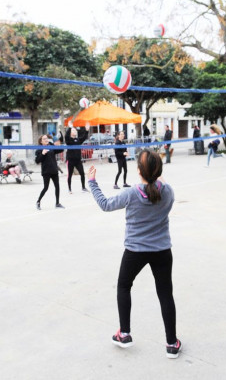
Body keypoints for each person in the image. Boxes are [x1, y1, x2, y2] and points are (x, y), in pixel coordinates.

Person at [87, 149, 181, 359]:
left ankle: (125, 333)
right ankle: (172, 344)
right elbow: (160, 183)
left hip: (135, 251)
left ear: (138, 170)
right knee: (165, 293)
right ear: (158, 171)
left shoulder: (131, 193)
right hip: (162, 250)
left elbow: (105, 205)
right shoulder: (168, 191)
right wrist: (155, 170)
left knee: (123, 286)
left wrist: (92, 182)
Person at [35, 134, 65, 210]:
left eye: (47, 138)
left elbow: (61, 150)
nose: (46, 140)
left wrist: (59, 145)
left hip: (54, 170)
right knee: (46, 188)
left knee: (57, 187)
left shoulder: (51, 145)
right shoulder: (39, 149)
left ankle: (57, 203)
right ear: (41, 141)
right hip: (46, 171)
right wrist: (42, 154)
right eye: (44, 139)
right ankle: (38, 201)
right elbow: (37, 161)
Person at [65, 122, 90, 194]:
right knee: (69, 175)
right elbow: (66, 136)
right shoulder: (68, 140)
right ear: (70, 132)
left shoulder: (78, 140)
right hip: (70, 160)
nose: (75, 131)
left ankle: (83, 188)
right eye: (73, 130)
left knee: (82, 173)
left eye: (75, 130)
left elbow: (84, 137)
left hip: (78, 160)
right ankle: (69, 189)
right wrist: (70, 127)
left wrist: (87, 130)